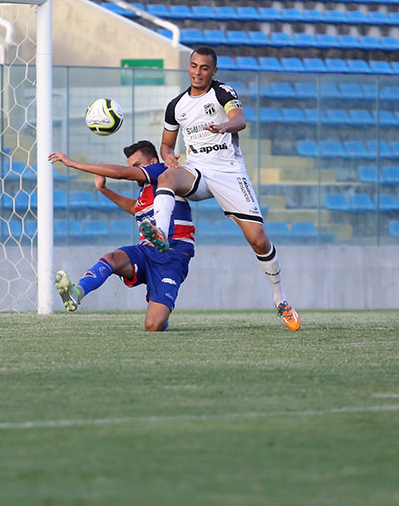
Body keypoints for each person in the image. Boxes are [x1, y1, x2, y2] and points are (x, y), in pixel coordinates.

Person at [143, 45, 300, 331]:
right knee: (166, 177)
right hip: (197, 170)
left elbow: (239, 119)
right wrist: (168, 155)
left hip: (228, 172)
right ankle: (161, 235)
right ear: (188, 67)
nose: (197, 72)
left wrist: (225, 127)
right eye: (193, 66)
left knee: (259, 240)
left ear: (213, 71)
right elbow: (166, 144)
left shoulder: (222, 92)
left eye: (204, 68)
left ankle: (280, 298)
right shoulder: (176, 105)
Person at [48, 140, 194, 331]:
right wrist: (103, 189)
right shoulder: (145, 192)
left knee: (154, 325)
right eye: (131, 167)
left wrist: (72, 163)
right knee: (113, 258)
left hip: (172, 255)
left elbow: (120, 173)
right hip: (145, 252)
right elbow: (136, 208)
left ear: (152, 161)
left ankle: (160, 309)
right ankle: (77, 293)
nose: (133, 171)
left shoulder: (164, 172)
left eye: (137, 166)